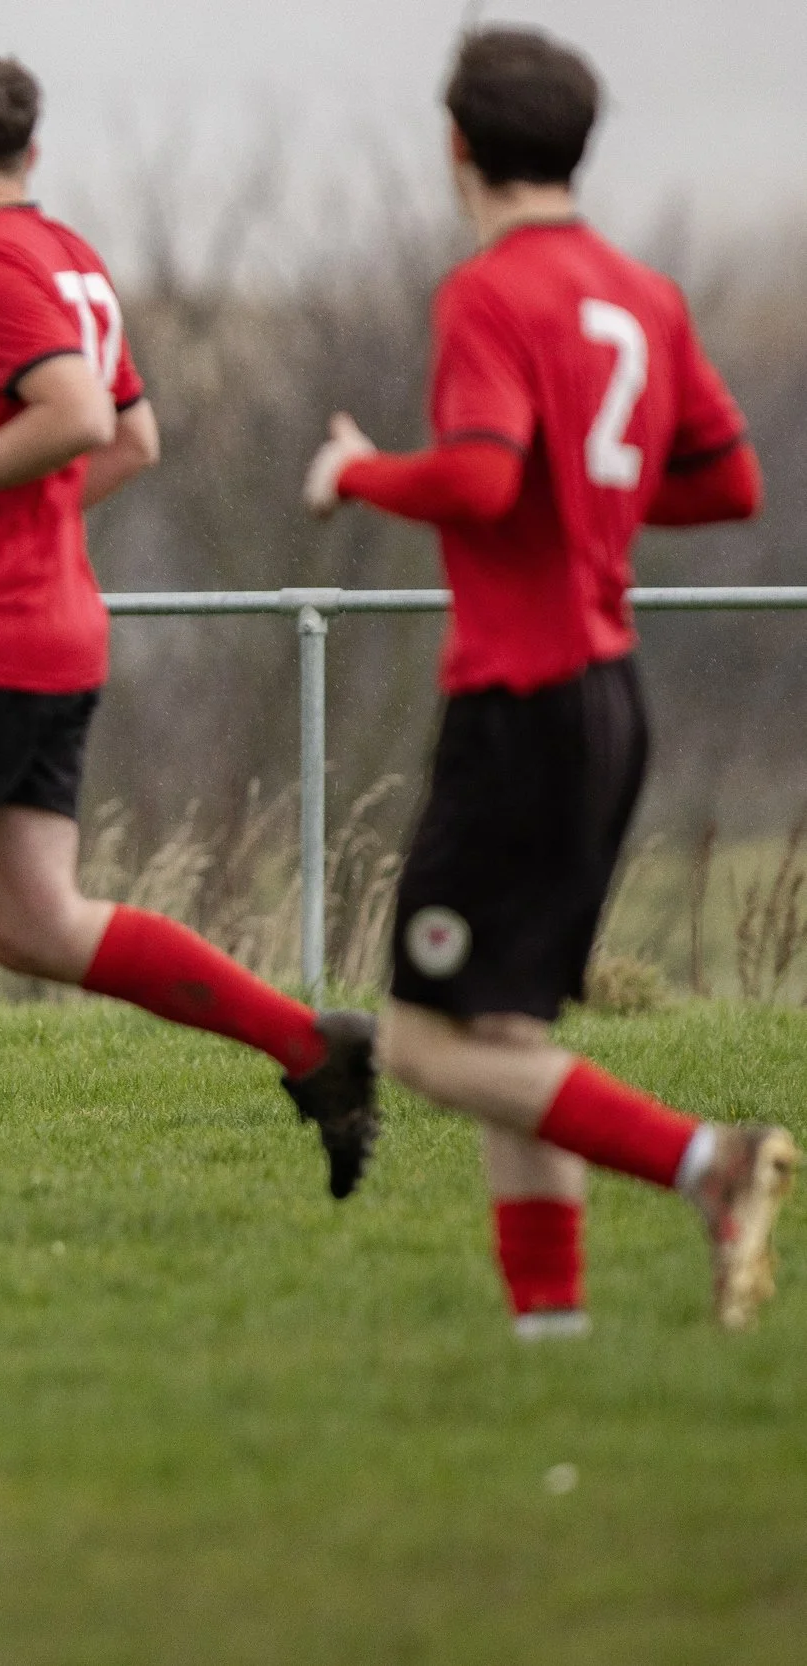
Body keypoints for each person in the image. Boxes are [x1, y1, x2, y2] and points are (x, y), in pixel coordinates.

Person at [0, 53, 382, 1220]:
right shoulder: (70, 259)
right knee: (36, 922)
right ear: (32, 153)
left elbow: (78, 417)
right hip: (55, 631)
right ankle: (312, 1049)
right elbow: (134, 440)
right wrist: (9, 509)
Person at [305, 27, 790, 1334]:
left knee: (421, 1044)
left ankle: (710, 1162)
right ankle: (551, 1332)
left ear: (457, 145)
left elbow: (473, 477)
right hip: (607, 698)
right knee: (508, 1038)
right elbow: (731, 479)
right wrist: (598, 499)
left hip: (521, 703)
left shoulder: (489, 292)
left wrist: (355, 470)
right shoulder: (643, 292)